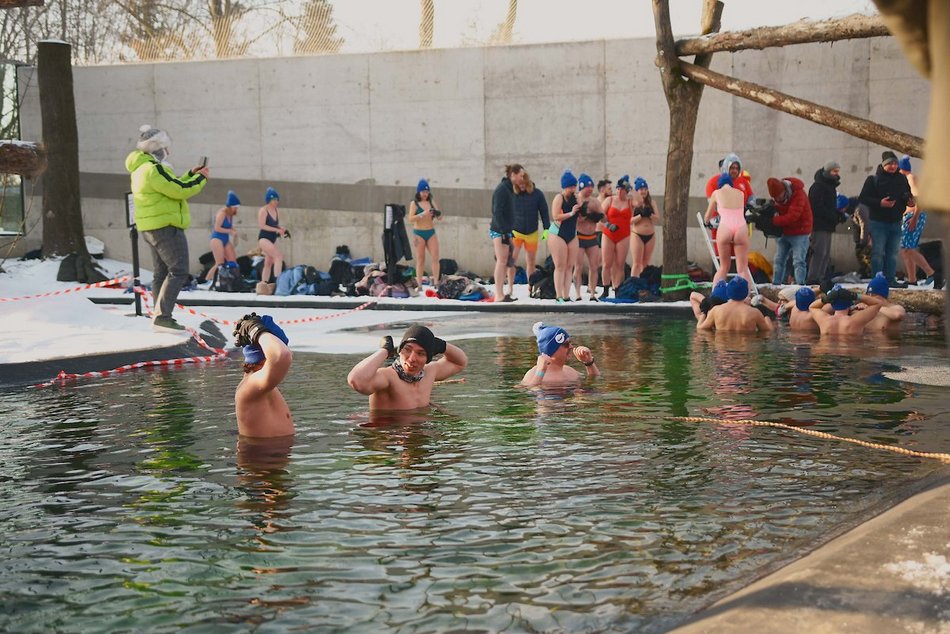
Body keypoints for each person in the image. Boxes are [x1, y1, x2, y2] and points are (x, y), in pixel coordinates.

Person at [126, 124, 209, 332]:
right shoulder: (153, 169)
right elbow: (179, 190)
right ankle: (163, 317)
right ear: (155, 148)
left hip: (151, 227)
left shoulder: (141, 169)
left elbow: (173, 184)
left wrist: (191, 174)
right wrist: (201, 178)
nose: (167, 152)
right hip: (165, 227)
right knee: (178, 270)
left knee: (161, 273)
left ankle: (158, 316)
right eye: (164, 148)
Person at [347, 325, 468, 410]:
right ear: (399, 351)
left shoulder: (429, 372)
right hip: (389, 439)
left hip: (420, 434)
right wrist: (384, 350)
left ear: (428, 358)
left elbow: (460, 362)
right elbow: (356, 381)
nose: (411, 358)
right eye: (407, 350)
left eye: (420, 353)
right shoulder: (388, 377)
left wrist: (442, 345)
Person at [233, 313, 294, 438]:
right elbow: (282, 356)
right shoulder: (250, 387)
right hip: (260, 456)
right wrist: (258, 331)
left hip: (273, 454)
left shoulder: (265, 387)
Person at [858, 151, 913, 286]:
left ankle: (890, 279)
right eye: (890, 164)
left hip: (896, 221)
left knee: (892, 253)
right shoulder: (873, 180)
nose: (893, 166)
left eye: (895, 163)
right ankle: (877, 280)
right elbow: (863, 198)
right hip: (879, 222)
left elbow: (907, 193)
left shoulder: (901, 179)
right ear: (883, 165)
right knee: (878, 253)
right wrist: (879, 202)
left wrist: (909, 201)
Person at [704, 173, 752, 287]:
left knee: (723, 267)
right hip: (741, 227)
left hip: (725, 226)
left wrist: (707, 222)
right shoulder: (740, 193)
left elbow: (708, 216)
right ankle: (746, 297)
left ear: (719, 185)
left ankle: (715, 296)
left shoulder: (716, 193)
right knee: (742, 269)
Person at [897, 156, 936, 287]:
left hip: (914, 215)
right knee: (905, 249)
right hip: (911, 215)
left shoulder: (910, 178)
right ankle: (912, 278)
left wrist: (914, 218)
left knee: (907, 249)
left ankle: (930, 272)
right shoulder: (908, 179)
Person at [520, 322, 599, 386]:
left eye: (570, 343)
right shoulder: (533, 374)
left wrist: (589, 363)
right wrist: (541, 372)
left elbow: (593, 380)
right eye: (566, 344)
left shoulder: (570, 371)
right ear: (551, 349)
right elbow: (531, 391)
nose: (571, 347)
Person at [768, 176, 813, 285]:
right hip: (784, 231)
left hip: (800, 232)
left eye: (779, 197)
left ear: (784, 190)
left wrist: (772, 220)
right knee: (779, 259)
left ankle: (800, 285)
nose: (778, 200)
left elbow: (792, 216)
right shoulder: (778, 198)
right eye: (775, 198)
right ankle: (776, 284)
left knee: (798, 261)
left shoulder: (799, 194)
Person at [491, 164, 525, 302]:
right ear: (513, 174)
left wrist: (509, 231)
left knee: (506, 261)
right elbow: (496, 212)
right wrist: (504, 232)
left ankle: (501, 292)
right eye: (521, 175)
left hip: (506, 230)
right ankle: (498, 294)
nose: (522, 178)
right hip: (499, 230)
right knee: (501, 260)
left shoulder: (509, 189)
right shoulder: (502, 190)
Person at [599, 174, 637, 300]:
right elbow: (600, 215)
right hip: (609, 234)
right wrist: (608, 225)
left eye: (623, 189)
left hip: (624, 235)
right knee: (607, 263)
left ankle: (617, 288)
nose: (620, 192)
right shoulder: (609, 200)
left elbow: (640, 202)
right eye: (618, 189)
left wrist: (632, 189)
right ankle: (605, 288)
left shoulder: (630, 202)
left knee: (619, 264)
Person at [549, 170, 582, 303]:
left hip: (572, 233)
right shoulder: (559, 198)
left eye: (574, 186)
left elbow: (580, 214)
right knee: (560, 265)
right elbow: (556, 216)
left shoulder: (576, 197)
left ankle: (567, 295)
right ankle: (559, 295)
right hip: (558, 233)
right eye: (570, 187)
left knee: (570, 266)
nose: (572, 189)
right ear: (564, 186)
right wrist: (571, 213)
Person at [807, 160, 842, 285]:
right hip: (819, 225)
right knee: (819, 252)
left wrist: (837, 215)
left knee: (825, 254)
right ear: (827, 172)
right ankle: (813, 277)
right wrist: (832, 215)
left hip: (827, 224)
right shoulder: (818, 186)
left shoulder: (830, 186)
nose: (836, 174)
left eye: (837, 171)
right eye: (834, 171)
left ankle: (821, 277)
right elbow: (816, 207)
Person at [697, 276, 773, 333]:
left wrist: (702, 315)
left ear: (728, 292)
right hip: (744, 351)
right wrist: (766, 317)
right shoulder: (754, 313)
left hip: (723, 352)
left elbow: (701, 328)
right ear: (746, 293)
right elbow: (767, 331)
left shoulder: (716, 310)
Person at [512, 170, 550, 279]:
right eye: (519, 184)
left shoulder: (537, 194)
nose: (522, 186)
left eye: (524, 184)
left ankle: (530, 286)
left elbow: (544, 212)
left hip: (531, 233)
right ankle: (509, 286)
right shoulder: (513, 194)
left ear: (528, 182)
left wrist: (546, 229)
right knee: (511, 260)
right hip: (516, 232)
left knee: (531, 261)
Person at [572, 173, 604, 302]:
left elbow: (604, 216)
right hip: (579, 236)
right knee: (578, 266)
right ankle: (578, 293)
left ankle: (592, 293)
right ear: (581, 187)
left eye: (591, 186)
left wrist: (597, 215)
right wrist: (581, 215)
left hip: (591, 236)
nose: (590, 189)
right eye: (587, 187)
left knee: (594, 266)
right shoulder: (576, 200)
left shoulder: (594, 201)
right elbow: (574, 218)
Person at [808, 284, 882, 336]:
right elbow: (877, 303)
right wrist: (856, 296)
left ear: (832, 304)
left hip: (829, 354)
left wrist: (826, 299)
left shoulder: (824, 320)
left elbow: (812, 307)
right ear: (850, 303)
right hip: (850, 353)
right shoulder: (856, 320)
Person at [407, 179, 442, 288]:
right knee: (421, 259)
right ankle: (419, 283)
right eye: (423, 192)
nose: (425, 195)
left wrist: (436, 213)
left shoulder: (431, 202)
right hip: (419, 233)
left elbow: (440, 217)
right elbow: (410, 219)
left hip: (430, 232)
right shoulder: (414, 203)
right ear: (418, 192)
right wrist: (422, 214)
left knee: (435, 257)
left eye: (427, 192)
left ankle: (436, 281)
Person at [208, 190, 240, 286]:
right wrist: (230, 231)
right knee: (219, 264)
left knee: (232, 261)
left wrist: (233, 230)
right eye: (235, 207)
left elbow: (227, 226)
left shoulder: (230, 215)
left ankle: (230, 280)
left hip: (225, 239)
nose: (236, 210)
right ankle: (207, 280)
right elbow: (217, 228)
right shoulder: (222, 213)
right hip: (217, 239)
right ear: (230, 206)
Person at [257, 187, 288, 285]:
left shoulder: (276, 210)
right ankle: (278, 283)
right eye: (274, 199)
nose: (276, 201)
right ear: (268, 200)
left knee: (268, 263)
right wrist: (277, 229)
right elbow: (262, 225)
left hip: (272, 239)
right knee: (279, 257)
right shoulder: (263, 210)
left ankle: (263, 284)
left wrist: (281, 229)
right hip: (264, 239)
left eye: (277, 199)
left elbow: (274, 225)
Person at [631, 177, 660, 278]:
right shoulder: (633, 203)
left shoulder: (652, 203)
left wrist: (650, 214)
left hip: (650, 235)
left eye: (645, 189)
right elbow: (629, 221)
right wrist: (640, 216)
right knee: (636, 263)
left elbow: (657, 218)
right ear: (637, 191)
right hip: (637, 234)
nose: (643, 191)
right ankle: (634, 283)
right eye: (641, 189)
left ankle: (643, 284)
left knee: (645, 263)